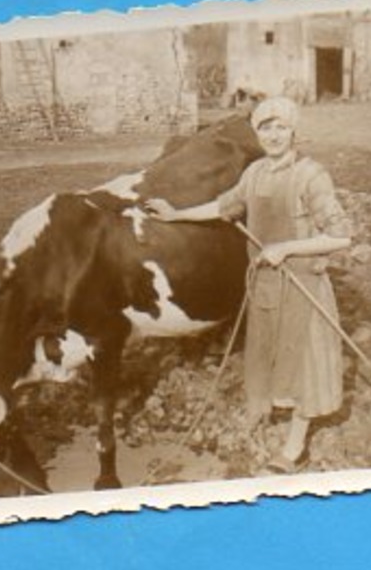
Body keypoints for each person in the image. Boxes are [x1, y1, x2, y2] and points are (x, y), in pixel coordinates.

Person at [146, 97, 353, 470]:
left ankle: (295, 445)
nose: (273, 136)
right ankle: (270, 411)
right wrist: (176, 215)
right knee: (268, 355)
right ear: (256, 133)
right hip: (266, 286)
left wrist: (286, 248)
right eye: (265, 128)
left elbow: (341, 236)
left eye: (281, 127)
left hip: (303, 286)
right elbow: (223, 206)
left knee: (302, 363)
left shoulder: (311, 175)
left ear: (294, 131)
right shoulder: (255, 172)